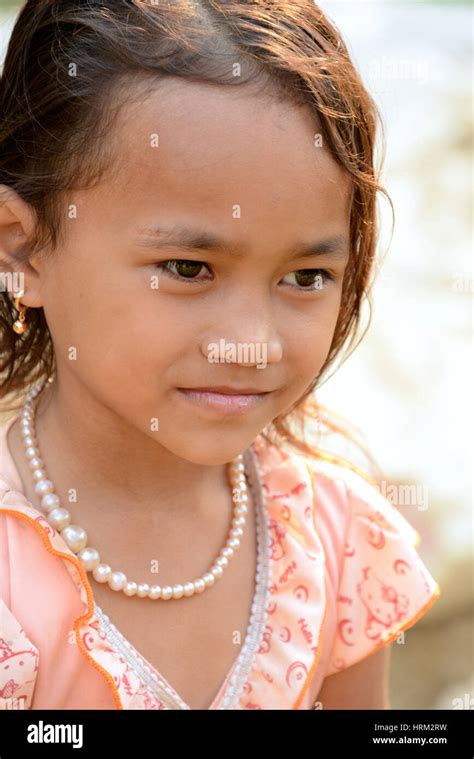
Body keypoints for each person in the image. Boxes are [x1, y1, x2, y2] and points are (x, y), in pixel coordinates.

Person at [0, 0, 440, 710]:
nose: (252, 343)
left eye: (305, 277)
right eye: (187, 268)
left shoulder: (340, 542)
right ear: (22, 249)